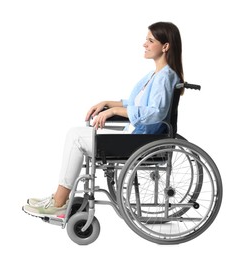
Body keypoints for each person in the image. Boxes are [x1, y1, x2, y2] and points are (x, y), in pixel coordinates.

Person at [23, 21, 184, 218]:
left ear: (165, 46)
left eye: (150, 40)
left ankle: (59, 201)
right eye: (146, 40)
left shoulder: (165, 77)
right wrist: (108, 103)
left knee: (76, 137)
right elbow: (135, 104)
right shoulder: (156, 75)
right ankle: (59, 198)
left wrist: (113, 110)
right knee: (76, 134)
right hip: (139, 138)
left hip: (143, 142)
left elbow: (156, 112)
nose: (144, 44)